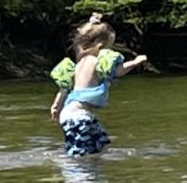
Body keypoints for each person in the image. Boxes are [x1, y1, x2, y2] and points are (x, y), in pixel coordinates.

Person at [49, 15, 153, 154]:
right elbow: (118, 71)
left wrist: (56, 106)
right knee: (80, 153)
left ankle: (92, 170)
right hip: (79, 116)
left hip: (75, 114)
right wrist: (136, 61)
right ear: (101, 46)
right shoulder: (97, 62)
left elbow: (64, 89)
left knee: (101, 145)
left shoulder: (78, 64)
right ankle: (76, 172)